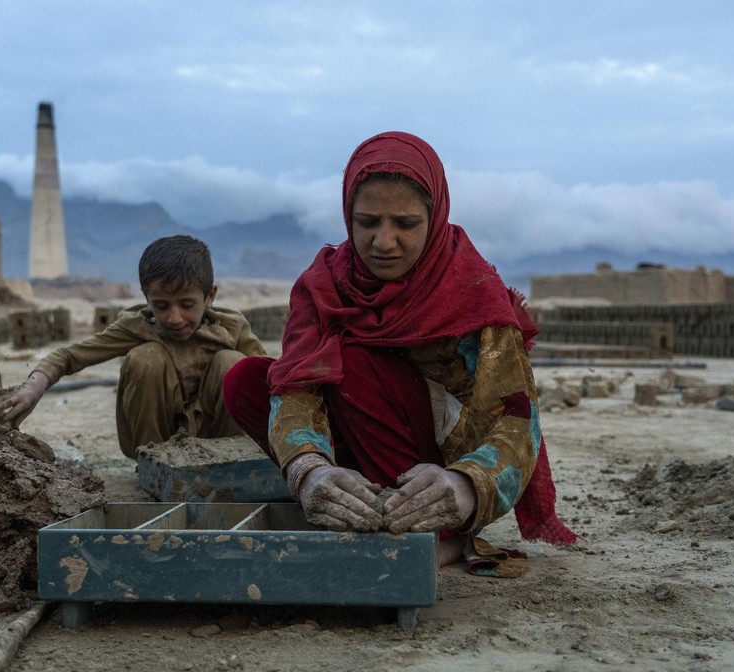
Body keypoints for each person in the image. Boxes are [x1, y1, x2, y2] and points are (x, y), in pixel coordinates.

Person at [223, 131, 576, 567]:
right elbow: (297, 388)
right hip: (355, 439)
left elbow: (517, 418)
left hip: (437, 474)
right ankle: (349, 497)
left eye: (406, 225)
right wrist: (309, 470)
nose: (383, 242)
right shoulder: (325, 284)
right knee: (248, 379)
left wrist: (465, 485)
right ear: (347, 216)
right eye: (367, 222)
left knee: (352, 362)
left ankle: (440, 534)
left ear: (435, 217)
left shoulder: (472, 292)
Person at [0, 235, 266, 459]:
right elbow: (69, 356)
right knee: (146, 358)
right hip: (158, 440)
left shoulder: (231, 327)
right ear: (147, 300)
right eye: (161, 305)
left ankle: (229, 461)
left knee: (234, 364)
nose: (174, 318)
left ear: (210, 297)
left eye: (186, 304)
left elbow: (270, 381)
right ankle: (154, 461)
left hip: (217, 441)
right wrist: (33, 388)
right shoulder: (138, 326)